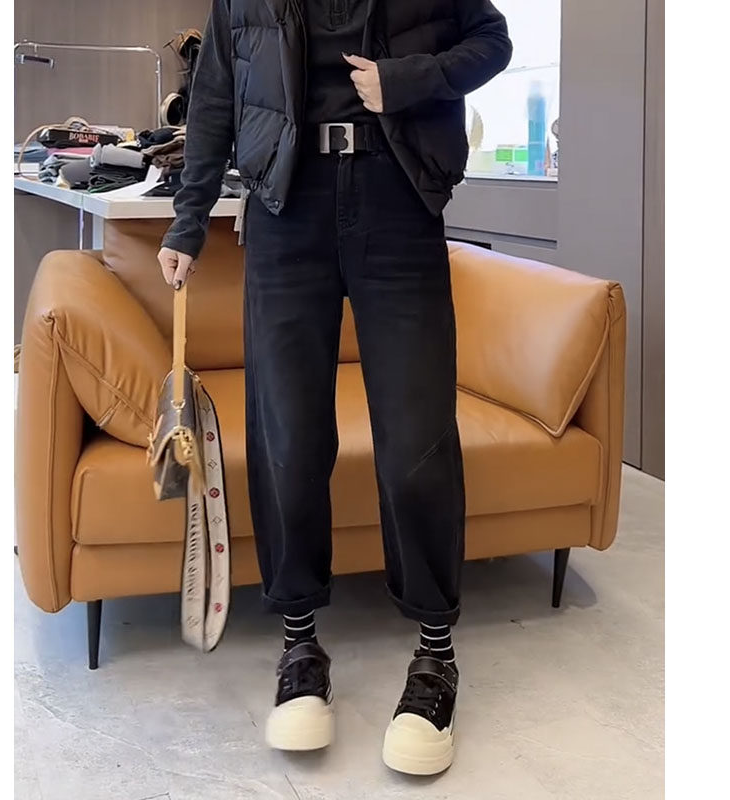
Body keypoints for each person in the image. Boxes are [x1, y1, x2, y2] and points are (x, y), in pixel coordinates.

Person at [158, 0, 511, 776]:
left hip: (399, 202)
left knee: (416, 443)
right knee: (289, 440)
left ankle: (436, 653)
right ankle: (299, 648)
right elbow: (215, 99)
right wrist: (188, 222)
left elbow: (492, 41)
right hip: (287, 213)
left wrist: (409, 79)